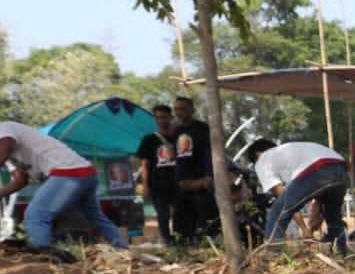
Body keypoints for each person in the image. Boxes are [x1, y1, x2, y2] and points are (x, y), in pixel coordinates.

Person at [0, 121, 128, 252]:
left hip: (68, 172)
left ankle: (42, 258)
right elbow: (20, 180)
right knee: (94, 217)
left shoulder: (4, 128)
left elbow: (6, 144)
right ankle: (123, 251)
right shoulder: (9, 157)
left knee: (37, 214)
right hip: (84, 172)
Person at [245, 139, 350, 252]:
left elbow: (286, 203)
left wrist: (304, 229)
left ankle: (272, 255)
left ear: (257, 154)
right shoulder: (292, 152)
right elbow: (322, 187)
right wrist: (316, 211)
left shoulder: (263, 160)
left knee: (277, 212)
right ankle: (341, 252)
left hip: (317, 168)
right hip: (340, 167)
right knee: (333, 216)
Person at [170, 95, 216, 243]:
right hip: (182, 183)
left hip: (200, 181)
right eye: (176, 109)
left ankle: (205, 246)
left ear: (192, 110)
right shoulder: (176, 131)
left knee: (203, 218)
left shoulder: (202, 129)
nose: (179, 112)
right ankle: (183, 246)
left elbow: (209, 153)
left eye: (183, 109)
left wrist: (209, 176)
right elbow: (176, 157)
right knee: (181, 220)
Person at [136, 103, 180, 246]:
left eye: (164, 117)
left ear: (171, 117)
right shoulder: (149, 140)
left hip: (178, 182)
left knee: (181, 212)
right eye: (158, 118)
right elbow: (145, 165)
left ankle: (181, 239)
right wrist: (145, 186)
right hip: (158, 184)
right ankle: (167, 241)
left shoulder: (179, 137)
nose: (161, 120)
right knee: (163, 214)